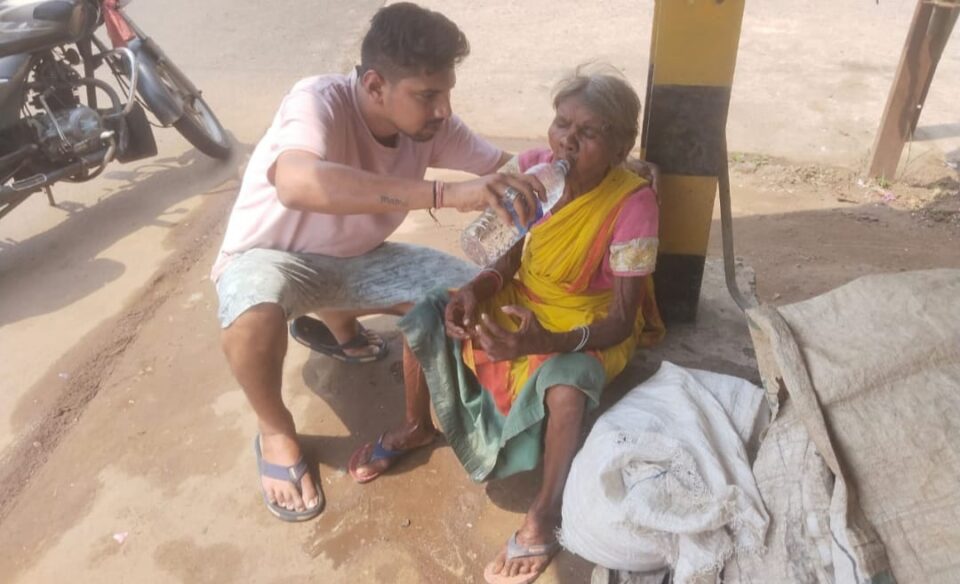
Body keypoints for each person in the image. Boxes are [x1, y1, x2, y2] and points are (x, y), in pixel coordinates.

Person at [214, 2, 546, 522]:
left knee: (478, 303)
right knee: (250, 308)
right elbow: (297, 182)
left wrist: (602, 165)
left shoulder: (433, 125)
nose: (443, 110)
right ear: (374, 86)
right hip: (277, 260)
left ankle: (341, 323)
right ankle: (274, 429)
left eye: (446, 93)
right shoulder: (317, 101)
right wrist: (443, 193)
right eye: (427, 95)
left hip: (360, 259)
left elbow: (507, 166)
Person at [348, 67, 666, 583]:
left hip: (587, 318)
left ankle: (544, 512)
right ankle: (416, 426)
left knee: (567, 386)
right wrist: (477, 290)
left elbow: (621, 320)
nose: (567, 141)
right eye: (562, 124)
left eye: (588, 133)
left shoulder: (634, 204)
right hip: (526, 297)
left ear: (620, 146)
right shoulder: (535, 169)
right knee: (429, 313)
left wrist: (545, 341)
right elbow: (513, 252)